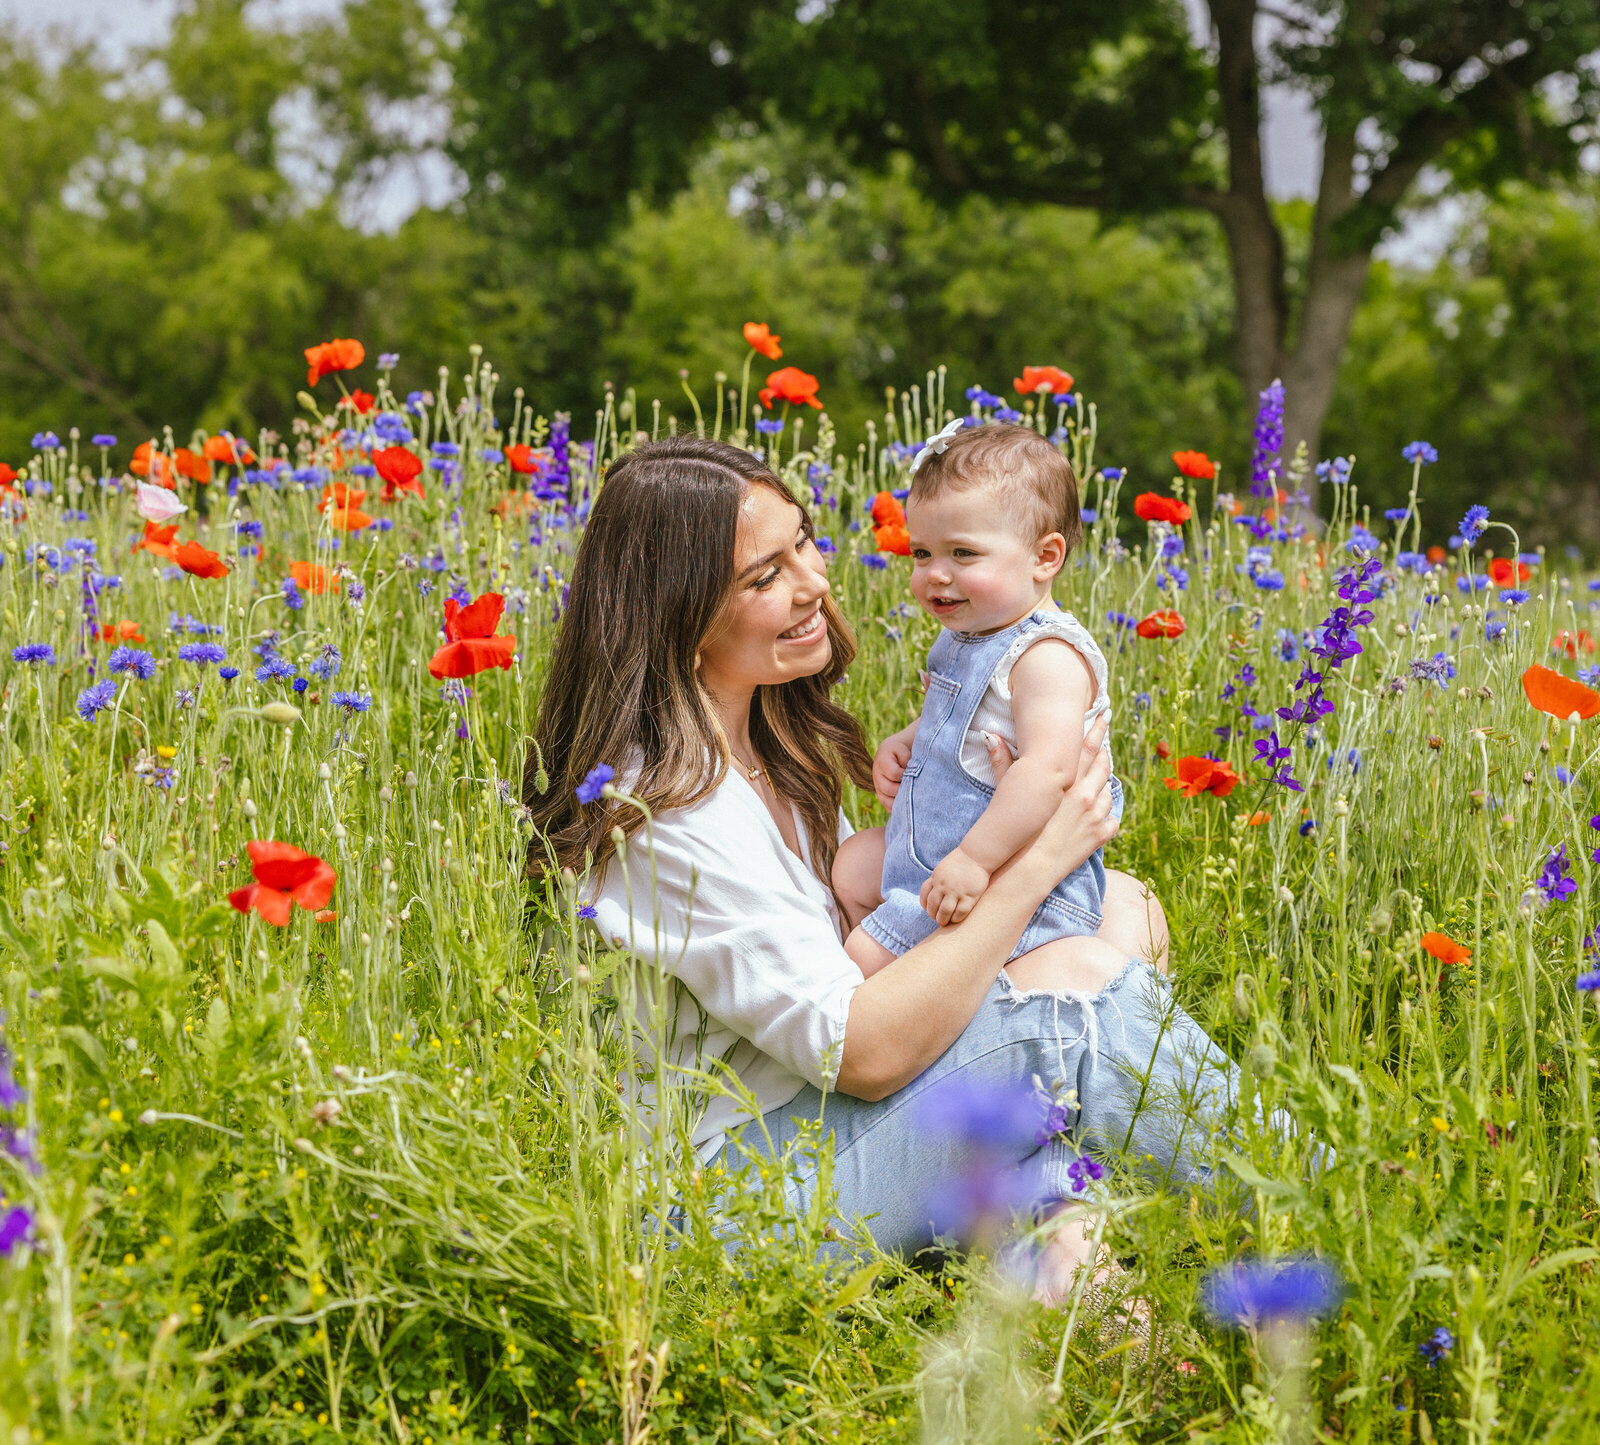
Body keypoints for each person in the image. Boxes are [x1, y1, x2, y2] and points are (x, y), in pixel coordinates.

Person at [523, 436, 1239, 1301]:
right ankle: (1324, 1204)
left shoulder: (766, 746)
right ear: (676, 612)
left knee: (1123, 908)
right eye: (763, 576)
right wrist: (1040, 857)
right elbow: (858, 1050)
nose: (814, 582)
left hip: (816, 1118)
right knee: (1070, 993)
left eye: (805, 541)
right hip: (730, 1202)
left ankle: (1062, 1254)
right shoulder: (664, 811)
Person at [833, 419, 1123, 978]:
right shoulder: (970, 636)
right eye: (921, 553)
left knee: (861, 962)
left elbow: (1046, 771)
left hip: (1014, 876)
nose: (935, 575)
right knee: (852, 865)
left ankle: (934, 1002)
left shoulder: (1046, 657)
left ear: (1045, 557)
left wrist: (974, 860)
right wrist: (910, 739)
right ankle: (929, 987)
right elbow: (971, 719)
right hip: (943, 853)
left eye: (963, 553)